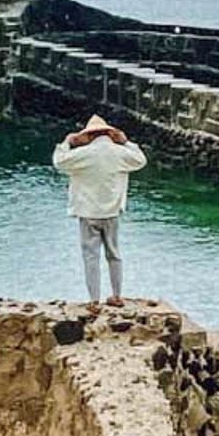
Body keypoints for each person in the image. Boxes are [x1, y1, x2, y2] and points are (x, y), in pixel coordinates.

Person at [51, 114, 147, 308]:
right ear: (109, 134)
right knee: (114, 254)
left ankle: (94, 299)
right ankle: (117, 295)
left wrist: (67, 141)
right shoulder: (119, 153)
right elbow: (141, 160)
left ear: (89, 135)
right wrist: (127, 142)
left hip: (88, 212)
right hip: (111, 211)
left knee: (90, 257)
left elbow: (59, 162)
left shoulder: (83, 154)